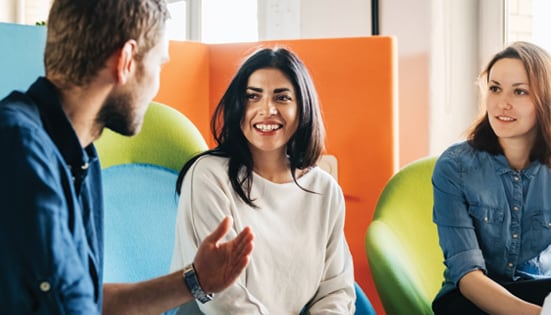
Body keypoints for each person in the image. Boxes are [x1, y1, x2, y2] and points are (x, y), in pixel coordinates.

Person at [0, 0, 254, 314]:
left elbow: (85, 301)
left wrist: (196, 281)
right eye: (159, 64)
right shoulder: (19, 149)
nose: (156, 85)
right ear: (126, 61)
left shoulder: (80, 157)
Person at [170, 47, 356, 314]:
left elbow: (336, 290)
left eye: (282, 97)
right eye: (252, 97)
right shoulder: (208, 176)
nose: (267, 109)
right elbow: (222, 298)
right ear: (237, 106)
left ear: (302, 108)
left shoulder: (324, 190)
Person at [431, 41, 551, 315]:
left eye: (520, 91)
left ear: (547, 101)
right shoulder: (454, 167)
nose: (502, 103)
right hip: (471, 300)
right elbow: (467, 275)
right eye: (495, 88)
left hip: (546, 293)